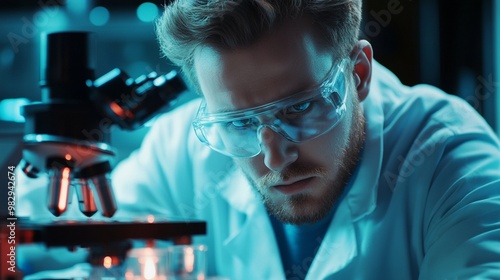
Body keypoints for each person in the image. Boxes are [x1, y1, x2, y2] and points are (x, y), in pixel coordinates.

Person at [17, 0, 500, 279]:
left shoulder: (451, 162)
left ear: (357, 74)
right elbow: (50, 246)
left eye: (300, 108)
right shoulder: (186, 149)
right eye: (239, 121)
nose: (274, 156)